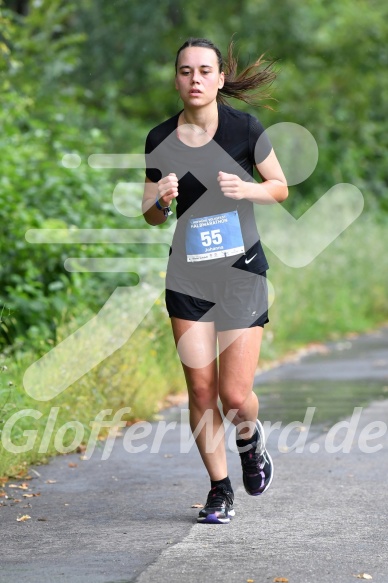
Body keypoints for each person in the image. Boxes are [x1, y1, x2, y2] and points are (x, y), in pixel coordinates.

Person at [142, 37, 288, 524]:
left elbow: (280, 187)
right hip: (188, 275)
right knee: (201, 392)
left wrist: (247, 188)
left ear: (220, 79)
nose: (195, 79)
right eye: (186, 71)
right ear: (177, 78)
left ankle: (251, 441)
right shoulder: (159, 139)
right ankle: (219, 490)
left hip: (241, 273)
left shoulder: (244, 128)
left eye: (205, 70)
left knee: (233, 395)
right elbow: (150, 215)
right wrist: (161, 199)